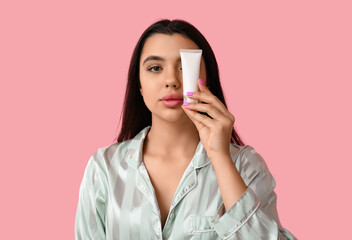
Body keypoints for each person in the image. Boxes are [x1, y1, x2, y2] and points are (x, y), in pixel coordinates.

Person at [75, 19, 296, 240]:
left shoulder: (246, 167)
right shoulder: (103, 168)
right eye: (155, 68)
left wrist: (220, 157)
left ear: (206, 79)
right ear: (139, 84)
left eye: (184, 67)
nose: (171, 80)